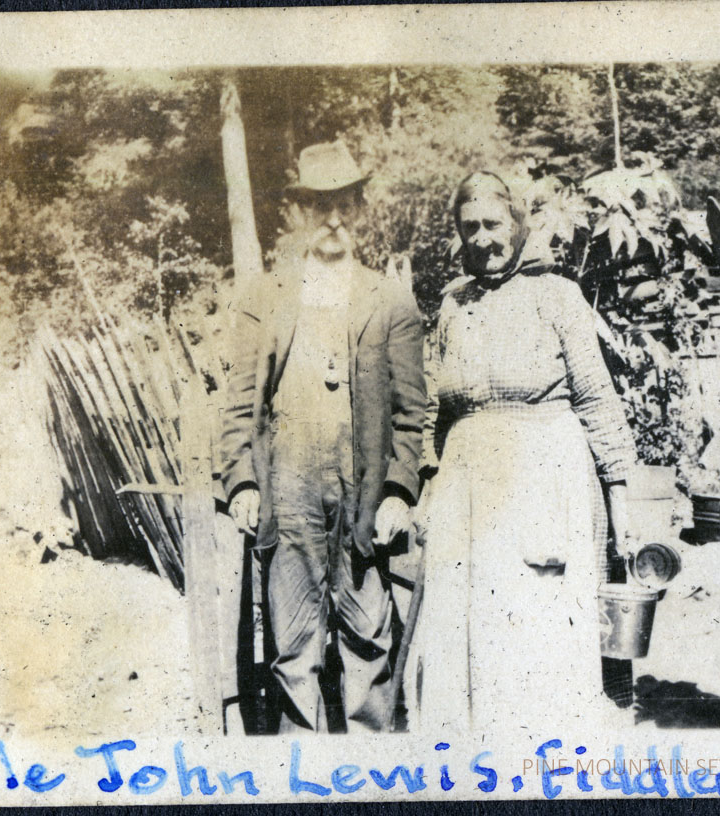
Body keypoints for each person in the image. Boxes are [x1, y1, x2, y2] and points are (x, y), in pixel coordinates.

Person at [408, 171, 639, 733]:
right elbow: (435, 407)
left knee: (534, 624)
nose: (482, 239)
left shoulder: (556, 295)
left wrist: (622, 501)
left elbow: (596, 397)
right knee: (463, 627)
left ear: (516, 223)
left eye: (492, 224)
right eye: (469, 228)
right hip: (465, 491)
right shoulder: (453, 304)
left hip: (541, 478)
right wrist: (428, 487)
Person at [219, 141, 425, 733]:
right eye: (319, 205)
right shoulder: (265, 298)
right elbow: (239, 401)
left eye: (344, 204)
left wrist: (397, 491)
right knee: (292, 643)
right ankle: (300, 767)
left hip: (363, 491)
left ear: (359, 208)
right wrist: (242, 482)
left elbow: (412, 414)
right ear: (299, 211)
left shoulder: (390, 300)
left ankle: (370, 766)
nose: (333, 219)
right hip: (288, 488)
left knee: (368, 634)